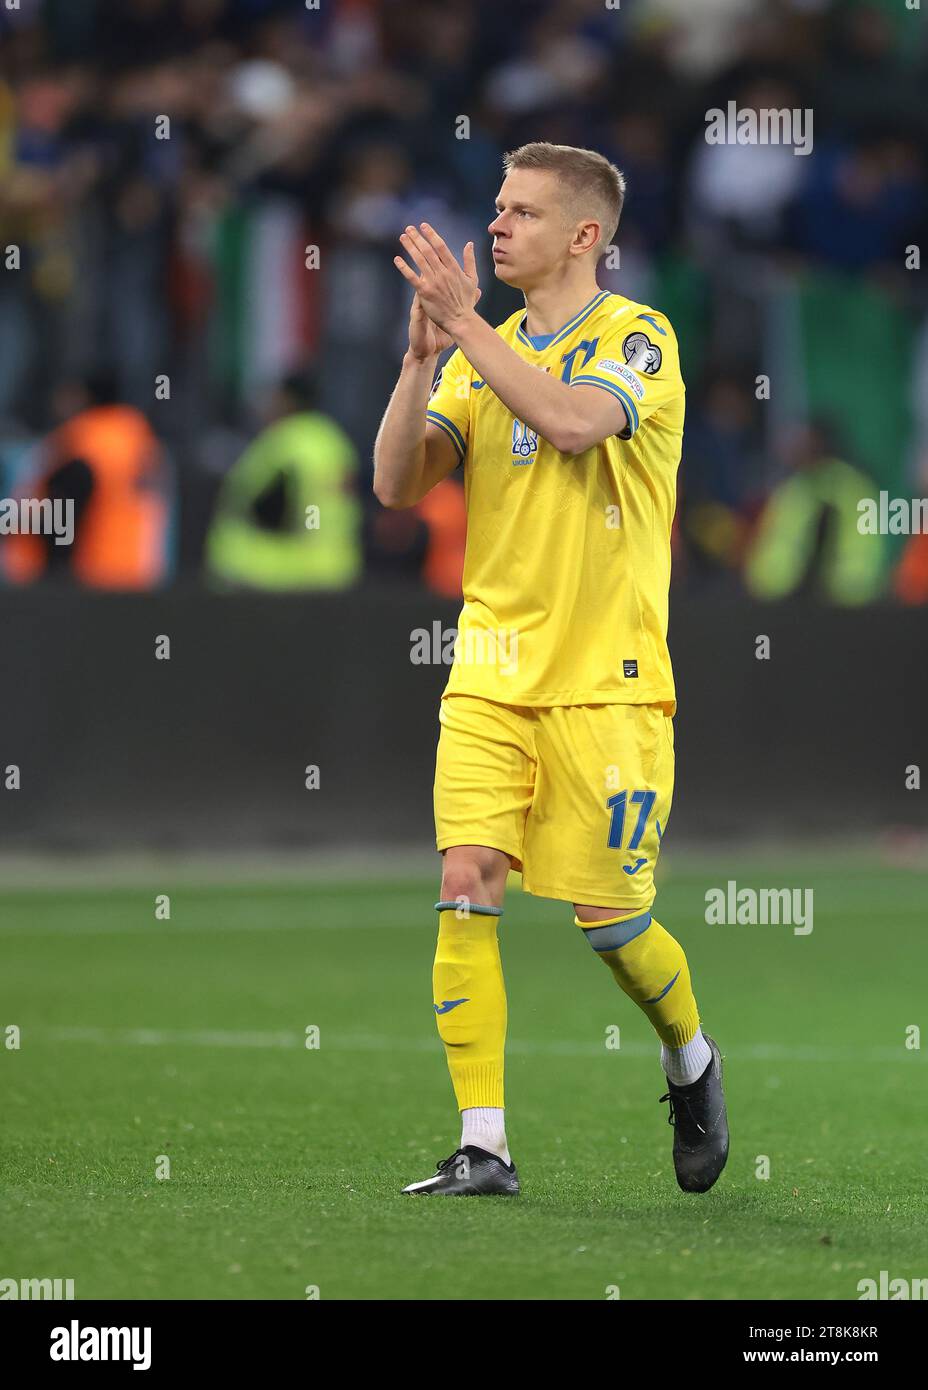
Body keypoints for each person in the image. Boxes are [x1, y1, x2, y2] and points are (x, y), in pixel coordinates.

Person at [374, 141, 728, 1197]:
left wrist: (470, 329)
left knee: (612, 926)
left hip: (606, 679)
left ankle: (690, 1058)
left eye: (521, 212)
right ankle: (484, 1144)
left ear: (584, 236)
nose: (495, 227)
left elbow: (574, 423)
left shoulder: (638, 337)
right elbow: (396, 483)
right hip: (488, 665)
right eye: (495, 208)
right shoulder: (483, 359)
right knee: (464, 878)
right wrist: (418, 355)